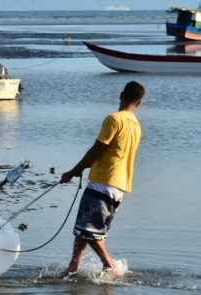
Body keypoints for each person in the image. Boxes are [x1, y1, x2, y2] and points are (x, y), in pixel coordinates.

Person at [60, 81, 144, 278]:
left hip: (103, 183)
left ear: (120, 94)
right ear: (139, 103)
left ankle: (109, 266)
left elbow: (97, 149)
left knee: (90, 232)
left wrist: (74, 171)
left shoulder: (114, 119)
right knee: (84, 229)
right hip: (119, 187)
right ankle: (73, 266)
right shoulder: (136, 125)